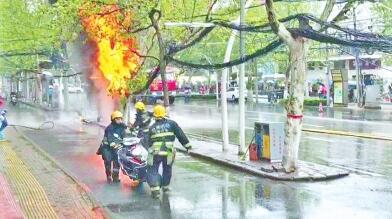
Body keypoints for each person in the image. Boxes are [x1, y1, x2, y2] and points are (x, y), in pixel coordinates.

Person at [147, 105, 192, 198]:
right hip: (168, 152)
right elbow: (181, 135)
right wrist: (188, 146)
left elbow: (148, 142)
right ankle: (165, 187)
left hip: (155, 153)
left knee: (152, 170)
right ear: (164, 113)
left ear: (154, 115)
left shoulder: (152, 127)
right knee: (167, 169)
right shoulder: (172, 124)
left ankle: (155, 190)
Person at [100, 111, 128, 183]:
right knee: (108, 161)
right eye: (117, 119)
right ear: (113, 119)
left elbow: (124, 137)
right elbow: (110, 139)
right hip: (107, 148)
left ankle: (115, 177)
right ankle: (109, 176)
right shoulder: (109, 128)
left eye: (120, 119)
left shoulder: (122, 127)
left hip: (116, 148)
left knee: (117, 162)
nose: (120, 120)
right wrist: (116, 145)